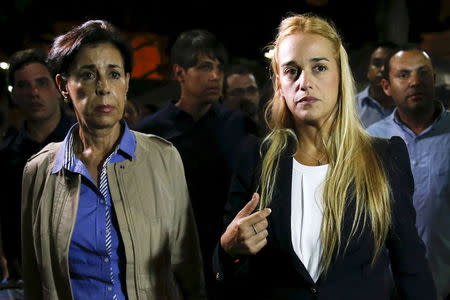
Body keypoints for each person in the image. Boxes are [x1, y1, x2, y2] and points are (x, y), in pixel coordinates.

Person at [213, 13, 436, 300]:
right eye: (292, 71)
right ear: (279, 83)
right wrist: (227, 249)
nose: (305, 82)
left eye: (319, 67)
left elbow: (412, 269)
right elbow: (228, 274)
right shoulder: (254, 157)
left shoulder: (384, 157)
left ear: (339, 75)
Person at [22, 20, 205, 300]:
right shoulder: (40, 171)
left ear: (127, 83)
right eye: (88, 74)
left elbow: (187, 267)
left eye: (115, 74)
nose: (104, 88)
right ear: (63, 86)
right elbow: (36, 279)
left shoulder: (163, 158)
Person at [135, 29, 256, 300]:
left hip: (229, 256)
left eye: (218, 68)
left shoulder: (237, 125)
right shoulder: (149, 133)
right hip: (168, 258)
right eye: (204, 67)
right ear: (179, 73)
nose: (215, 76)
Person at [367, 45, 450, 300]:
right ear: (387, 87)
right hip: (384, 285)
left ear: (434, 80)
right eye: (404, 75)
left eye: (422, 73)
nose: (415, 82)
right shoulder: (371, 140)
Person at [0, 48, 75, 286]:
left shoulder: (87, 143)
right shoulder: (5, 154)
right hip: (25, 277)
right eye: (23, 86)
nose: (33, 92)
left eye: (41, 83)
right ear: (14, 95)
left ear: (57, 87)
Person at [356, 42, 397, 128]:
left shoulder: (408, 107)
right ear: (368, 70)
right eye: (377, 64)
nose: (382, 69)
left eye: (388, 65)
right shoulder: (349, 106)